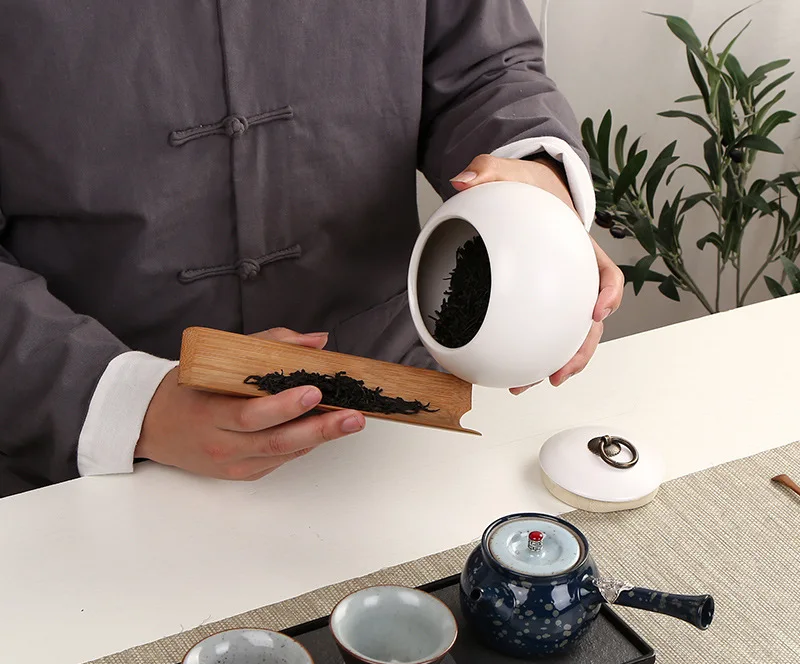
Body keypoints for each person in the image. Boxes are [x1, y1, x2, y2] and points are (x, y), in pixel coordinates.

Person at [0, 1, 623, 498]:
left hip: (387, 424)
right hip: (80, 449)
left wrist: (536, 187)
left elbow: (484, 70)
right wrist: (137, 405)